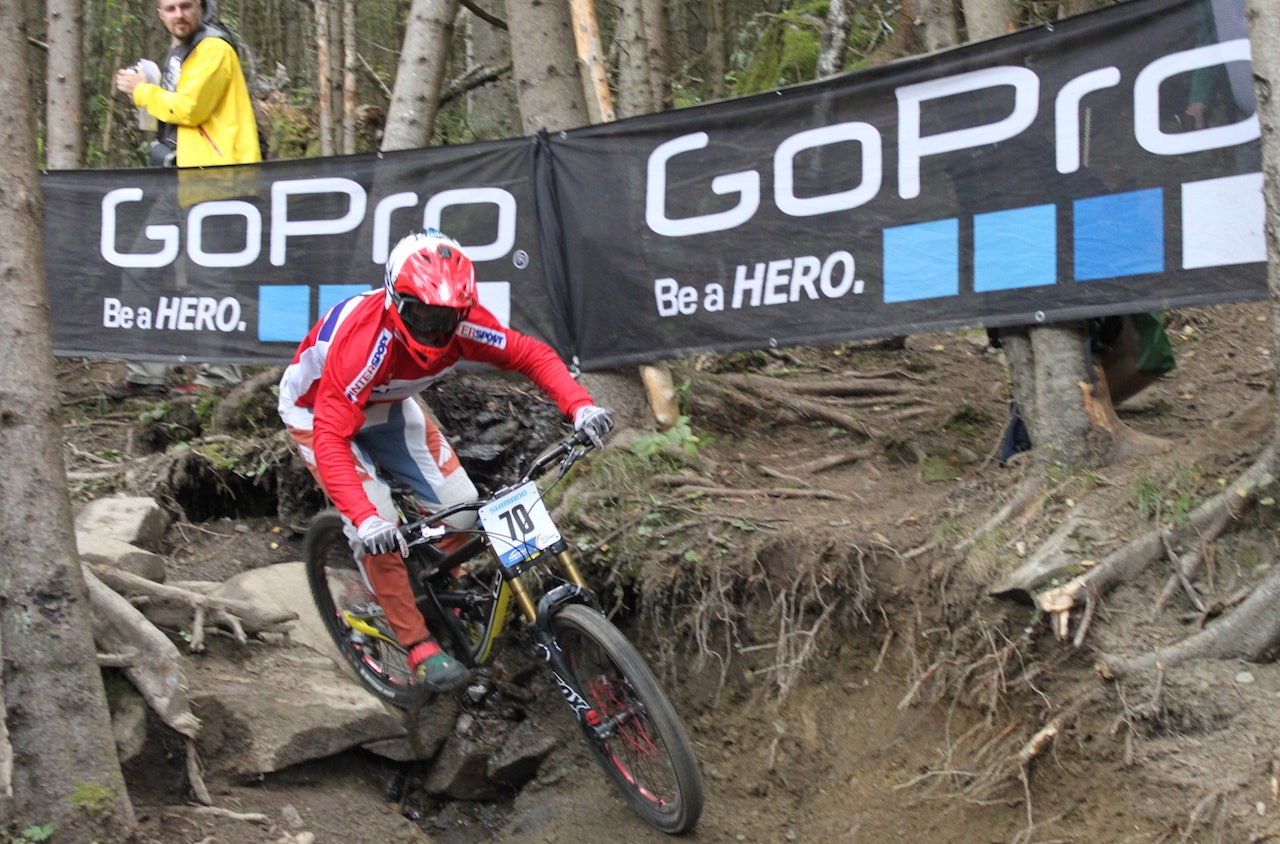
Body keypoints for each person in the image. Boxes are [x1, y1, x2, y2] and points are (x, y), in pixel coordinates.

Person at [278, 230, 615, 692]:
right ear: (395, 300)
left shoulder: (466, 323)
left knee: (461, 505)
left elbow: (530, 354)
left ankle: (440, 592)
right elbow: (332, 439)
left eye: (447, 318)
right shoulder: (363, 343)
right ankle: (417, 646)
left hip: (390, 403)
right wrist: (365, 520)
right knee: (374, 525)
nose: (435, 330)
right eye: (421, 315)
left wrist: (581, 406)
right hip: (320, 410)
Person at [110, 0, 261, 398]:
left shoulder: (214, 47)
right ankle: (146, 373)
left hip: (217, 183)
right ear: (160, 13)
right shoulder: (182, 50)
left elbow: (190, 108)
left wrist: (142, 91)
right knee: (139, 267)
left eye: (186, 6)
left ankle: (219, 377)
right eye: (170, 7)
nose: (179, 15)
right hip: (181, 180)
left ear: (202, 8)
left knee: (210, 281)